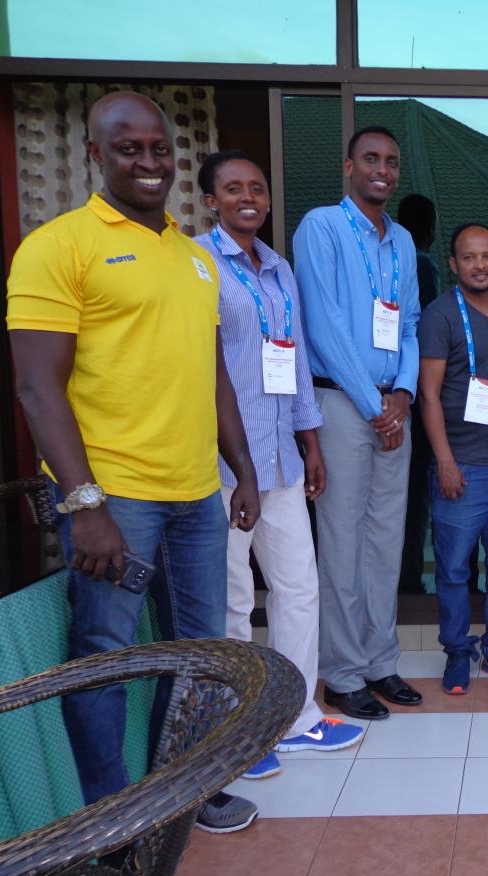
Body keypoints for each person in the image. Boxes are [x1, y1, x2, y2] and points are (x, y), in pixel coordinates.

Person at [6, 92, 261, 832]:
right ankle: (111, 820)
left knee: (199, 656)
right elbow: (36, 386)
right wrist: (85, 506)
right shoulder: (59, 246)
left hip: (195, 498)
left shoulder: (194, 257)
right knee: (106, 658)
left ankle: (181, 792)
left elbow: (210, 372)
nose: (149, 162)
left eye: (158, 148)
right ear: (95, 154)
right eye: (129, 149)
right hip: (115, 499)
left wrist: (241, 468)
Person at [197, 150, 364, 780]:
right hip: (223, 467)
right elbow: (202, 371)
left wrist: (311, 441)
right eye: (233, 188)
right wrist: (238, 464)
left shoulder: (278, 268)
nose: (248, 197)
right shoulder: (198, 264)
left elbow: (291, 363)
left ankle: (295, 718)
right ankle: (237, 731)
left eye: (257, 188)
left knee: (298, 587)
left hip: (281, 460)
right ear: (211, 199)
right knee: (234, 600)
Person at [293, 125, 424, 719]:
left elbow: (412, 326)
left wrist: (403, 391)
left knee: (384, 543)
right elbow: (323, 326)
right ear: (349, 166)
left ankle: (380, 662)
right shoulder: (320, 227)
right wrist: (376, 408)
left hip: (392, 409)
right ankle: (342, 671)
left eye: (392, 162)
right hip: (345, 408)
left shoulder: (400, 243)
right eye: (371, 159)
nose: (383, 170)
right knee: (342, 543)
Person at [418, 223, 488, 695]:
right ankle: (457, 653)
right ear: (453, 264)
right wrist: (444, 460)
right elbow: (428, 394)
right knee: (455, 569)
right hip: (463, 466)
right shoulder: (440, 315)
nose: (480, 265)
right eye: (469, 257)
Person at [397, 192, 440, 595]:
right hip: (414, 394)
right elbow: (428, 335)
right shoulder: (422, 264)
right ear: (430, 227)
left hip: (391, 393)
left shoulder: (392, 260)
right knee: (413, 498)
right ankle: (408, 579)